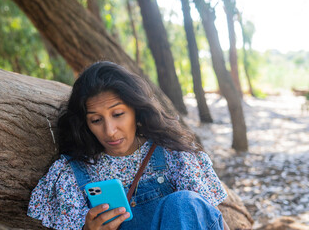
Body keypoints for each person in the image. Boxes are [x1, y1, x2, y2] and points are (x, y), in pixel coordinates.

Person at [27, 61, 230, 230]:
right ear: (85, 124)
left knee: (183, 204)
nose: (110, 131)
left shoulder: (173, 155)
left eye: (118, 115)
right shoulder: (71, 175)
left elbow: (208, 219)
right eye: (96, 120)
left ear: (136, 110)